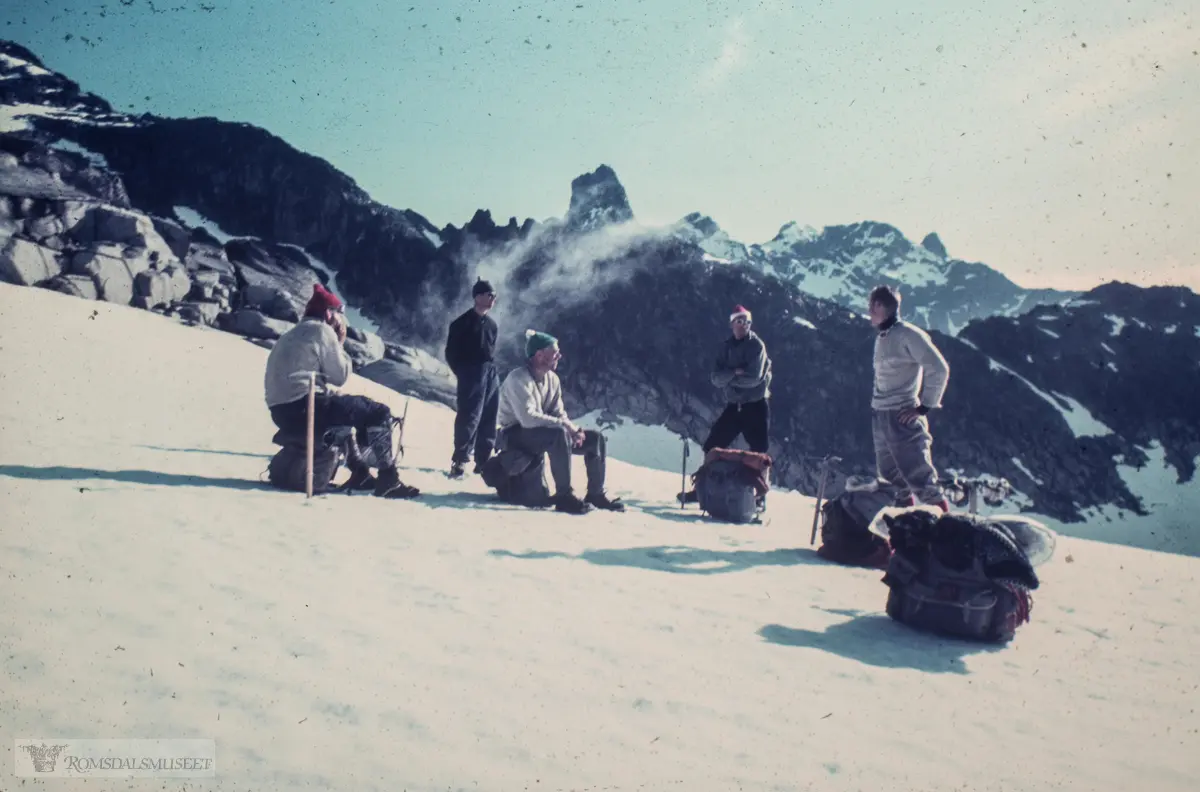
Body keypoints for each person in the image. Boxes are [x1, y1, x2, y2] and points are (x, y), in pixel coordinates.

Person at [264, 283, 420, 499]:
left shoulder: (293, 333)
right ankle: (388, 479)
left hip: (281, 412)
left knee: (342, 413)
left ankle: (360, 473)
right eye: (339, 313)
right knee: (378, 412)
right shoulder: (322, 330)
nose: (341, 318)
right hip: (304, 407)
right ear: (329, 313)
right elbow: (340, 376)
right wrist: (340, 341)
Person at [495, 330, 625, 515]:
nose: (559, 356)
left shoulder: (552, 379)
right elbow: (527, 418)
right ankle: (564, 496)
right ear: (539, 355)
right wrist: (565, 427)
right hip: (515, 434)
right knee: (558, 435)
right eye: (555, 353)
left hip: (544, 432)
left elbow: (558, 412)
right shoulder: (518, 379)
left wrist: (573, 430)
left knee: (595, 439)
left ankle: (595, 494)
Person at [867, 284, 950, 511]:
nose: (869, 309)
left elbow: (939, 368)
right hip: (881, 415)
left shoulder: (908, 334)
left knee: (921, 479)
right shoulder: (883, 336)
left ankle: (948, 534)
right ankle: (905, 532)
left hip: (902, 415)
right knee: (891, 480)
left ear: (881, 307)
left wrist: (924, 407)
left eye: (873, 304)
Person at [679, 304, 772, 504]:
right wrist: (735, 373)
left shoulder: (757, 346)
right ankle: (703, 488)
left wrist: (728, 377)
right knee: (712, 445)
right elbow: (715, 378)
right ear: (732, 323)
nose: (743, 325)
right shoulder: (725, 347)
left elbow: (754, 378)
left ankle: (760, 497)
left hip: (755, 404)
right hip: (735, 405)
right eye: (739, 321)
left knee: (760, 452)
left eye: (746, 321)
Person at [445, 277, 500, 479]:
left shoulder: (492, 325)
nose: (493, 299)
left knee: (489, 414)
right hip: (471, 371)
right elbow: (451, 352)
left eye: (495, 296)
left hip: (490, 371)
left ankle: (483, 461)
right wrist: (464, 373)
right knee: (469, 415)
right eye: (489, 295)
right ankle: (460, 460)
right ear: (477, 296)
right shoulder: (461, 323)